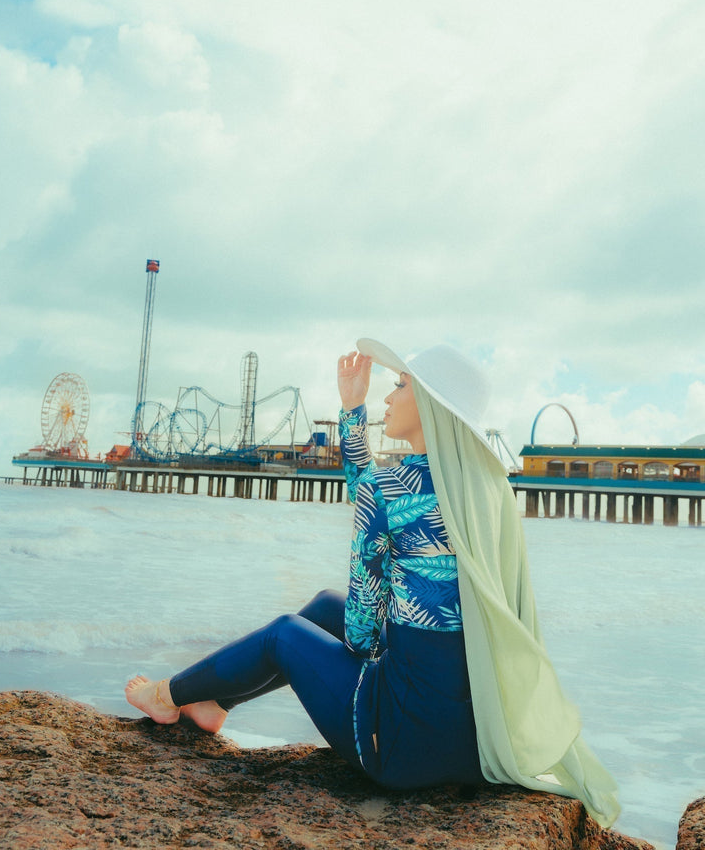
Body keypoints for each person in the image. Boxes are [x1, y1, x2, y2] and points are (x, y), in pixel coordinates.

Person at [125, 339, 619, 826]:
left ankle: (168, 695)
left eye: (400, 385)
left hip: (402, 747)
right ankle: (214, 704)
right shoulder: (486, 491)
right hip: (473, 741)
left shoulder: (390, 489)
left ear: (428, 405)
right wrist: (352, 409)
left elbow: (361, 632)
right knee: (323, 606)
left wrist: (371, 651)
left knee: (285, 634)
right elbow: (376, 498)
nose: (388, 396)